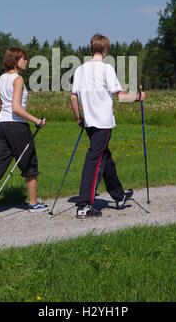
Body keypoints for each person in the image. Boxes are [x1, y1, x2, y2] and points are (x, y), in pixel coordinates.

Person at [70, 33, 145, 219]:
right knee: (94, 160)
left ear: (91, 48)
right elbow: (120, 96)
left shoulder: (80, 70)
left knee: (105, 158)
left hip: (89, 123)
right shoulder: (107, 69)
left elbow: (73, 97)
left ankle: (119, 197)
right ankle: (84, 205)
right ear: (105, 50)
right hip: (103, 123)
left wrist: (79, 118)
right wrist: (137, 98)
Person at [0, 47, 47, 218]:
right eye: (24, 58)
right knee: (30, 163)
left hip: (1, 126)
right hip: (16, 127)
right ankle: (33, 203)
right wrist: (36, 120)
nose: (27, 61)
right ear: (15, 61)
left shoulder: (1, 78)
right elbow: (16, 108)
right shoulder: (18, 79)